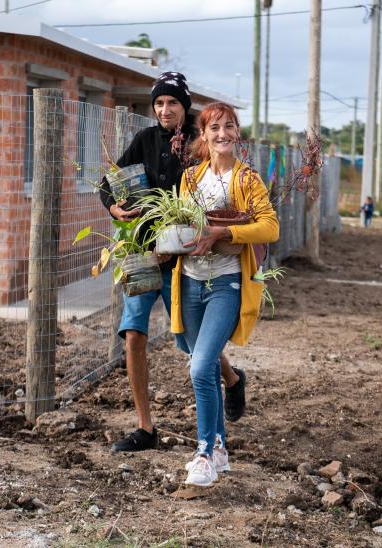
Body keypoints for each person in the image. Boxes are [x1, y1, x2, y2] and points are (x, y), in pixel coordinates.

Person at [98, 73, 247, 453]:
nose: (165, 110)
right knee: (133, 334)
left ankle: (231, 379)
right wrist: (113, 207)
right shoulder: (144, 140)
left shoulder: (200, 147)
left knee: (192, 343)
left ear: (185, 107)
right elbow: (108, 182)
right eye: (159, 103)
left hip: (184, 260)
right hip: (144, 253)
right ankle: (145, 428)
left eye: (173, 103)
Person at [171, 102, 279, 486]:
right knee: (206, 360)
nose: (222, 134)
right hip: (190, 282)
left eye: (229, 127)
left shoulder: (247, 180)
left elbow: (269, 228)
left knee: (200, 367)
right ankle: (219, 449)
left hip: (226, 283)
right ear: (203, 135)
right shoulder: (190, 179)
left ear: (237, 134)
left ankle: (203, 450)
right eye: (214, 127)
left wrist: (224, 233)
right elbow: (181, 223)